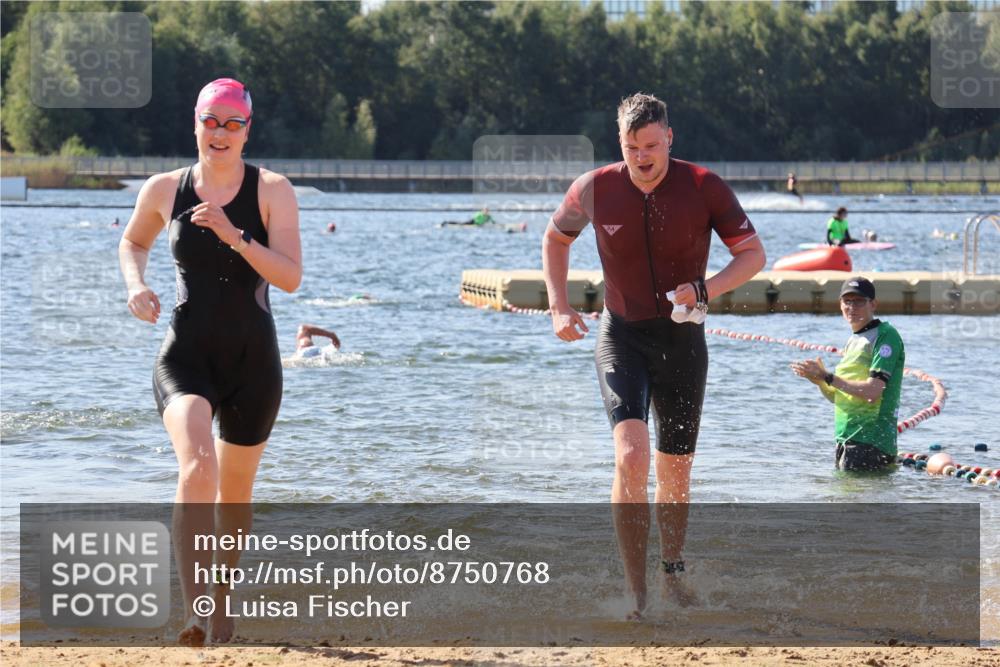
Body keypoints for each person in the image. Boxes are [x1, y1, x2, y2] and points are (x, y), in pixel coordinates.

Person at [541, 93, 765, 619]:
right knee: (630, 457)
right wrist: (558, 305)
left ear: (669, 138)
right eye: (630, 146)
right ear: (618, 143)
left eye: (650, 145)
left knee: (675, 472)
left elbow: (751, 255)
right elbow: (555, 240)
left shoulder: (703, 186)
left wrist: (705, 289)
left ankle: (673, 571)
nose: (641, 156)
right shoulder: (594, 188)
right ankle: (637, 594)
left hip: (683, 342)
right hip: (621, 336)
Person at [118, 78, 302, 646]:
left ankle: (222, 602)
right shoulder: (163, 189)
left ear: (248, 130)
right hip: (186, 354)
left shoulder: (272, 190)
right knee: (198, 463)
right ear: (195, 124)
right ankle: (194, 608)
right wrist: (135, 285)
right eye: (211, 121)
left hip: (253, 361)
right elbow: (132, 243)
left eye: (233, 123)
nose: (220, 133)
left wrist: (234, 235)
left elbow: (290, 277)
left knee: (235, 495)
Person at [791, 277, 904, 472]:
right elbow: (840, 397)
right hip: (846, 439)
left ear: (873, 304)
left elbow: (872, 392)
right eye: (847, 301)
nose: (852, 307)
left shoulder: (885, 334)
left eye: (859, 301)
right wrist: (819, 382)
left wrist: (828, 377)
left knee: (861, 500)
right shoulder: (854, 340)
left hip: (871, 442)